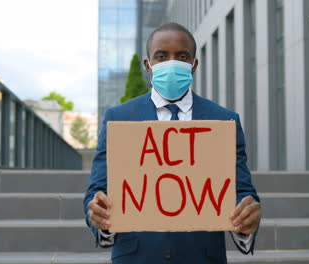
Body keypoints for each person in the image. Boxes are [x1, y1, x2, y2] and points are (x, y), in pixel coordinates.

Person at [84, 22, 261, 264]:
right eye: (161, 56)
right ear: (148, 65)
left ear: (193, 65)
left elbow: (241, 191)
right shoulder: (118, 119)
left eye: (182, 56)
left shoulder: (225, 121)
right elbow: (97, 190)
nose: (171, 62)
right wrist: (100, 216)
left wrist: (247, 218)